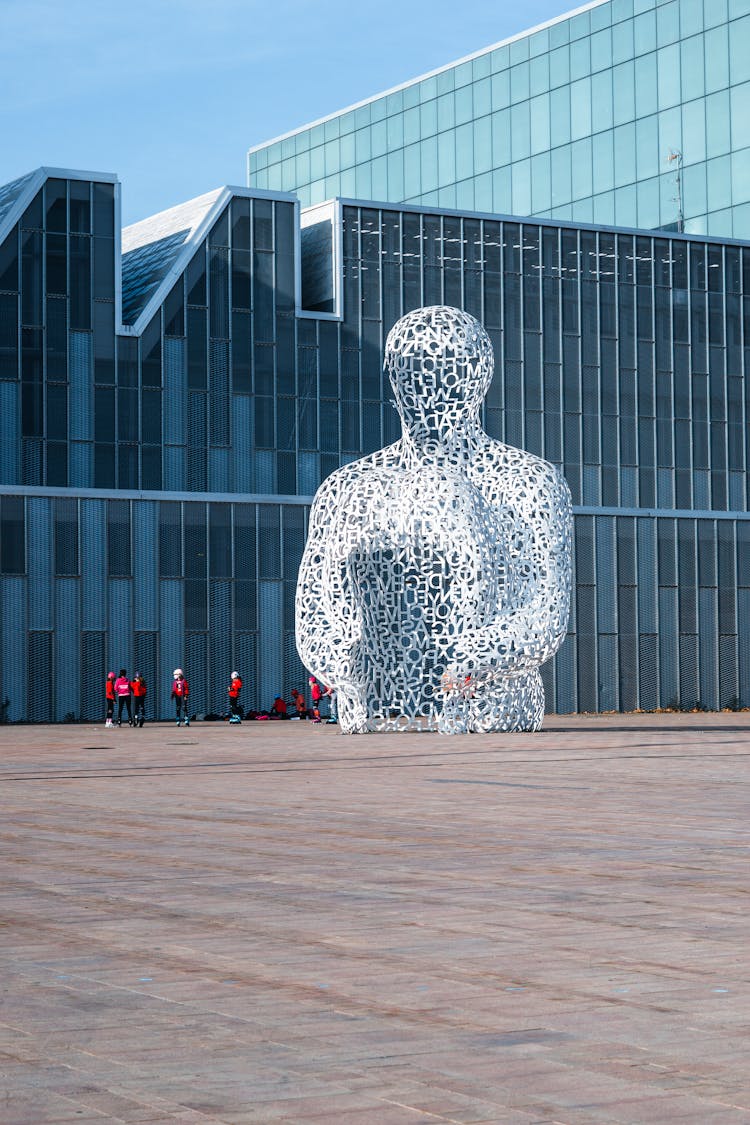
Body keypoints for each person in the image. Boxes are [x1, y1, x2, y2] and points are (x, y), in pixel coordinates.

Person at [295, 305, 572, 734]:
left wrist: (475, 656)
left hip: (492, 715)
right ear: (391, 376)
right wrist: (339, 660)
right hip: (372, 720)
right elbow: (316, 608)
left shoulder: (527, 482)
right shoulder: (347, 489)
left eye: (448, 369)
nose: (429, 387)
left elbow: (546, 611)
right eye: (412, 369)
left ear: (480, 374)